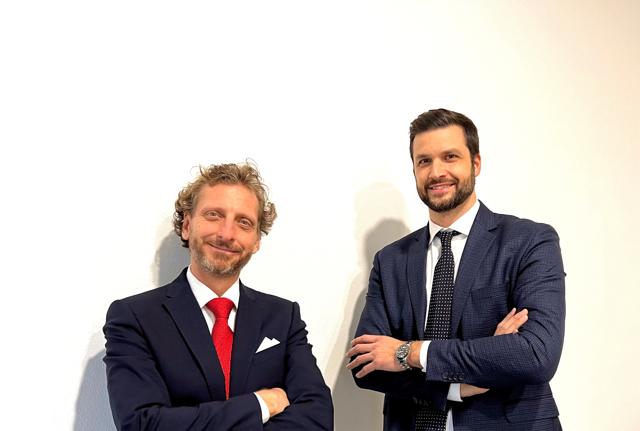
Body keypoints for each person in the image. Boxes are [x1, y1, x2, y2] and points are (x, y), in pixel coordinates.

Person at [347, 109, 565, 430]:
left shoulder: (529, 241)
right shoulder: (390, 260)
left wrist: (409, 352)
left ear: (475, 164)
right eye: (424, 161)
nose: (437, 172)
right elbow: (366, 365)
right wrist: (457, 387)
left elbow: (536, 354)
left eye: (450, 157)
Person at [104, 162, 333, 430]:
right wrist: (260, 405)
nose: (226, 234)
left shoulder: (283, 317)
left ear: (256, 241)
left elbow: (317, 418)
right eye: (214, 215)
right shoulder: (135, 318)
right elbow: (142, 424)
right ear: (187, 225)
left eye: (244, 222)